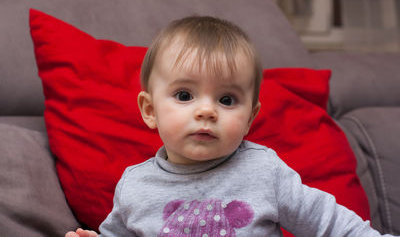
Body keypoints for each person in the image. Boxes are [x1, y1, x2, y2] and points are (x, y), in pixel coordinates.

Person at [66, 16, 395, 237]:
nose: (207, 110)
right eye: (185, 95)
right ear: (150, 111)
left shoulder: (263, 171)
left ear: (250, 118)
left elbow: (329, 222)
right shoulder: (135, 185)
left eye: (226, 100)